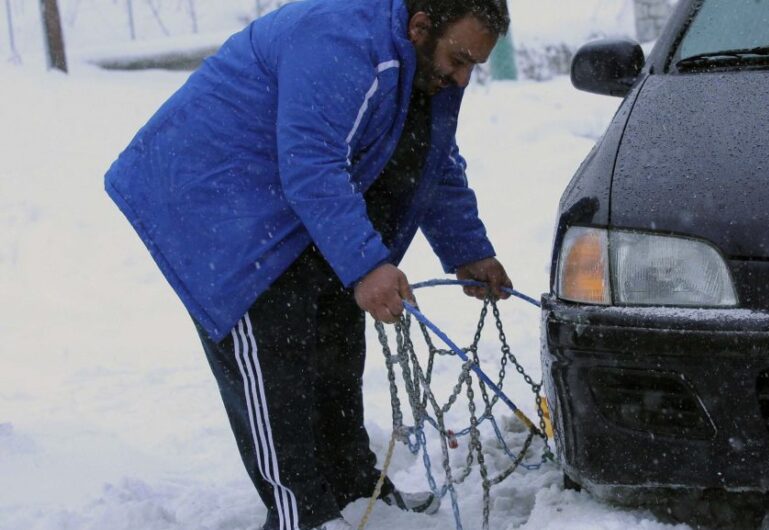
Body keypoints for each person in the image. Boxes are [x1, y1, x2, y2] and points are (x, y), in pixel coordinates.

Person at [103, 0, 513, 528]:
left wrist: (468, 250)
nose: (461, 78)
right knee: (276, 354)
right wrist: (367, 266)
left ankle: (352, 490)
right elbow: (312, 163)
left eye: (473, 66)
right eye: (458, 60)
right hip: (213, 198)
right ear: (419, 27)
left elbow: (429, 154)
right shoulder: (343, 43)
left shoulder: (423, 69)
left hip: (285, 196)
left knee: (334, 339)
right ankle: (301, 512)